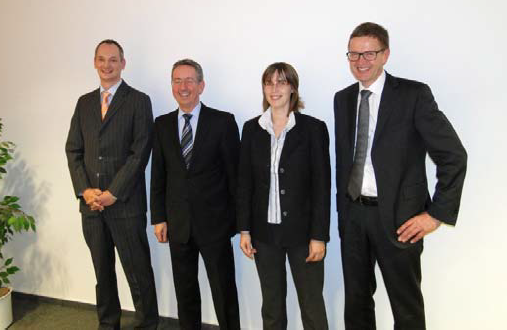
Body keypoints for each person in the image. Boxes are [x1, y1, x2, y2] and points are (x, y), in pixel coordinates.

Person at [334, 22, 467, 330]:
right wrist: (344, 213)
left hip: (400, 219)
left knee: (406, 308)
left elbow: (453, 155)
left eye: (369, 53)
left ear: (385, 55)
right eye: (354, 54)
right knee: (356, 305)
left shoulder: (413, 95)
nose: (361, 61)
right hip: (353, 217)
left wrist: (435, 215)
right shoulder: (343, 99)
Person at [66, 39, 159, 330]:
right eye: (102, 59)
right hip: (91, 207)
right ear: (94, 62)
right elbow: (73, 150)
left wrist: (113, 193)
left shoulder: (139, 100)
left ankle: (147, 325)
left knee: (138, 273)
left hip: (125, 205)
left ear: (123, 64)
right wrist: (85, 190)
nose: (107, 65)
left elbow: (140, 152)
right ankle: (108, 324)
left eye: (113, 60)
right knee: (102, 273)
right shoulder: (84, 103)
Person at [238, 62, 331, 330]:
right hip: (264, 234)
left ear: (293, 88)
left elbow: (321, 187)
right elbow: (244, 183)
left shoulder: (313, 129)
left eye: (281, 82)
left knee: (312, 306)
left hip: (303, 235)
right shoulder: (251, 129)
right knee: (272, 307)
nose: (274, 88)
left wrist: (319, 236)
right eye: (269, 82)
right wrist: (244, 230)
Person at [150, 59, 240, 330]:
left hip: (215, 225)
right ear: (172, 86)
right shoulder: (162, 125)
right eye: (177, 81)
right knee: (185, 293)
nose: (183, 86)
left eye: (189, 80)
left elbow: (235, 177)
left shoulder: (223, 122)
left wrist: (238, 223)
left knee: (224, 292)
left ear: (201, 86)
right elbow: (158, 175)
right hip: (178, 225)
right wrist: (159, 218)